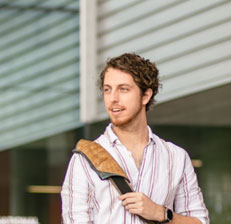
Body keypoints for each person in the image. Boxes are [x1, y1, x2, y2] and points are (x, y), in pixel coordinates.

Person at [61, 53, 209, 224]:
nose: (113, 99)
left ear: (145, 96)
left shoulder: (176, 157)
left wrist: (160, 213)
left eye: (123, 89)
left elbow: (200, 222)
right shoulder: (83, 159)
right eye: (107, 89)